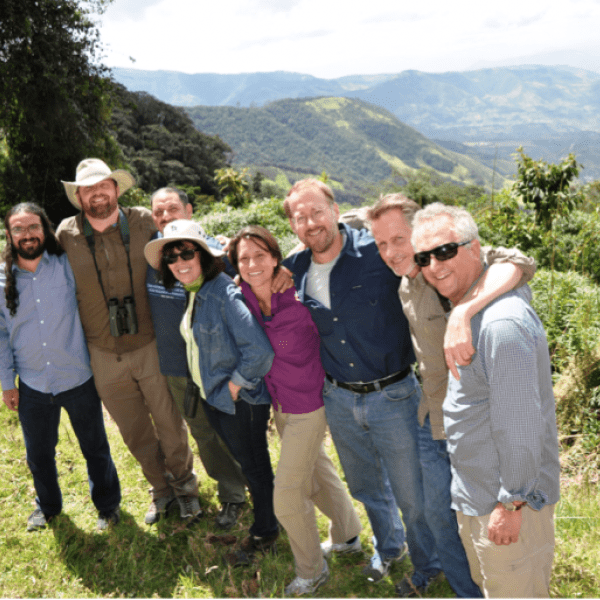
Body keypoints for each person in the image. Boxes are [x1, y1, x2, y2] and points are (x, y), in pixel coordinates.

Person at [368, 193, 536, 598]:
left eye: (399, 239)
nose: (391, 252)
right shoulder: (408, 282)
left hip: (474, 425)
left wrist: (464, 311)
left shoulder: (446, 270)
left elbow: (519, 260)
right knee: (439, 518)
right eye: (381, 244)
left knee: (481, 520)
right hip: (432, 419)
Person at [281, 179, 441, 589]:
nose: (311, 223)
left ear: (335, 211)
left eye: (317, 212)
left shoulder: (378, 251)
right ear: (294, 227)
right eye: (300, 218)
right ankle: (390, 549)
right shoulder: (294, 268)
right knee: (366, 486)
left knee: (412, 494)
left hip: (395, 395)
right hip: (338, 397)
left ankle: (428, 566)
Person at [411, 203, 560, 598]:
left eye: (445, 251)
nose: (434, 265)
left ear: (475, 249)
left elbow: (521, 427)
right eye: (424, 258)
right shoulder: (469, 312)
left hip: (508, 506)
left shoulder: (500, 325)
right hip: (479, 496)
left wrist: (513, 504)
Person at [57, 159, 199, 525]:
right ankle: (160, 490)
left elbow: (189, 241)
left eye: (103, 185)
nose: (98, 193)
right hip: (102, 352)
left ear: (116, 189)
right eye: (88, 189)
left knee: (169, 424)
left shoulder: (144, 222)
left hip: (150, 343)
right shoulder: (65, 235)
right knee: (134, 430)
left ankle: (185, 488)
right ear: (79, 196)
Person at [228, 225, 362, 596]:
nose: (253, 264)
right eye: (244, 258)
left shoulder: (300, 298)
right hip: (281, 405)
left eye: (261, 255)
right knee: (317, 471)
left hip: (311, 405)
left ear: (276, 258)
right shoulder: (242, 296)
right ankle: (349, 536)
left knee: (286, 495)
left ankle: (311, 569)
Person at [144, 220, 279, 558]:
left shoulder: (221, 291)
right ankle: (270, 523)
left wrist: (233, 387)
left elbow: (259, 351)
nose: (179, 261)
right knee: (252, 465)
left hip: (240, 401)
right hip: (219, 400)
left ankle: (265, 533)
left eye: (186, 252)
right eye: (172, 257)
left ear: (203, 254)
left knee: (255, 467)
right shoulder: (197, 292)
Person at [0, 202, 121, 531]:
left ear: (45, 228)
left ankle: (108, 507)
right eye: (19, 229)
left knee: (95, 448)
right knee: (39, 455)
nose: (27, 234)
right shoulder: (1, 280)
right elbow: (0, 334)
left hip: (78, 377)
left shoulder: (67, 265)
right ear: (9, 235)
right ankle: (48, 506)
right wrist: (6, 382)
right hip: (33, 384)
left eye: (33, 227)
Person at [147, 187, 247, 530]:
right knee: (204, 435)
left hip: (217, 366)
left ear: (189, 210)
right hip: (177, 368)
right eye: (158, 212)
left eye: (172, 208)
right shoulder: (153, 260)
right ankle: (232, 494)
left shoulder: (211, 255)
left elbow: (248, 278)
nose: (165, 216)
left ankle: (254, 489)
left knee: (232, 432)